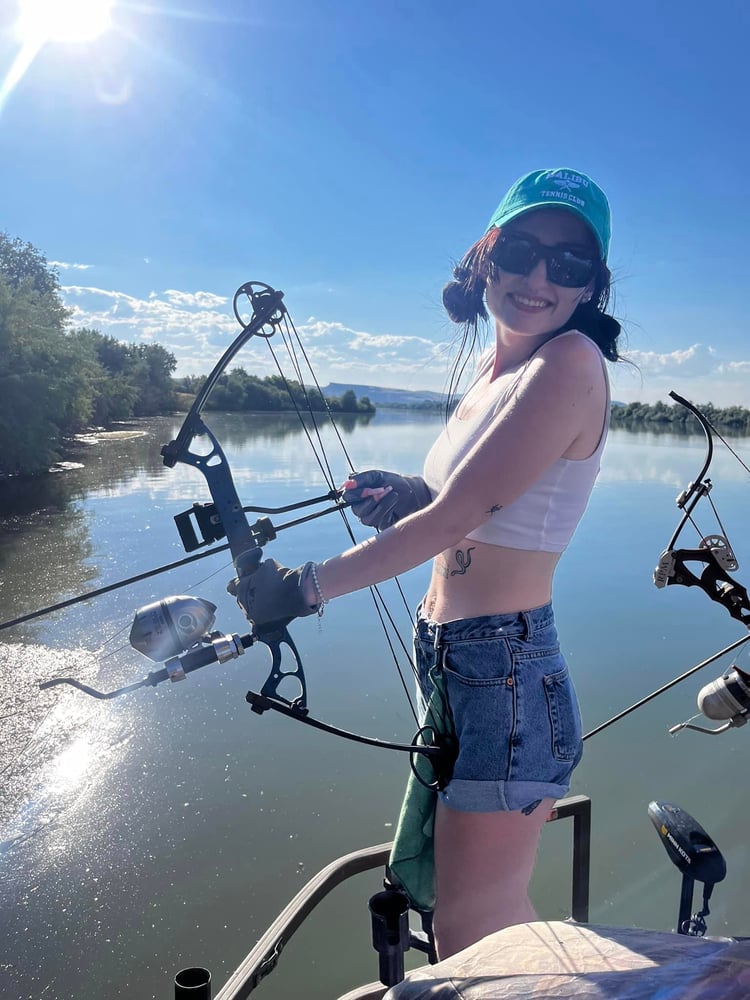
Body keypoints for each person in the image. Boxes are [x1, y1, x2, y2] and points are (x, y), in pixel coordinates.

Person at [232, 168, 623, 959]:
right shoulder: (495, 373)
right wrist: (408, 492)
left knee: (471, 929)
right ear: (487, 256)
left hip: (504, 667)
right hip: (454, 657)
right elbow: (464, 500)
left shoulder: (571, 362)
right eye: (521, 251)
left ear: (591, 286)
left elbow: (460, 517)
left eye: (569, 264)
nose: (539, 277)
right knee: (476, 912)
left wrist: (303, 589)